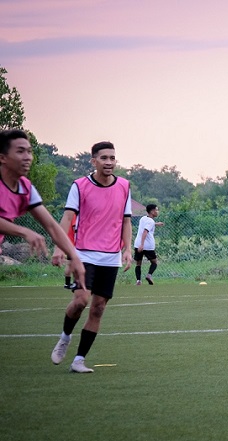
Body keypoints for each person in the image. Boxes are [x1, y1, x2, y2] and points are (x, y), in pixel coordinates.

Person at [51, 141, 133, 374]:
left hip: (111, 257)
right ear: (93, 161)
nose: (109, 162)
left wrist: (127, 249)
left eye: (112, 158)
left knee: (98, 308)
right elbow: (67, 218)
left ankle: (79, 360)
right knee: (81, 301)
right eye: (104, 158)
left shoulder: (124, 186)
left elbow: (126, 221)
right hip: (84, 254)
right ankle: (65, 336)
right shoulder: (80, 186)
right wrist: (59, 247)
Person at [0, 129, 86, 289]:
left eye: (29, 151)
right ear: (2, 158)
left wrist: (74, 257)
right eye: (20, 151)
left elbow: (51, 226)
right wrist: (24, 231)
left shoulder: (25, 187)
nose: (27, 157)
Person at [133, 203, 164, 285]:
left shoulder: (143, 218)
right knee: (154, 262)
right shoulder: (151, 221)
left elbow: (148, 224)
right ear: (152, 211)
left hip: (137, 244)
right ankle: (149, 275)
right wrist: (142, 245)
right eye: (156, 210)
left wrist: (156, 224)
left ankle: (138, 281)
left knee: (138, 264)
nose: (157, 211)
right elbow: (145, 232)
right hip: (147, 246)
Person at [63, 213, 78, 289]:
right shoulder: (75, 215)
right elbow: (75, 228)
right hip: (74, 244)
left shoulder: (68, 216)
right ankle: (75, 282)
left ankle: (67, 283)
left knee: (69, 263)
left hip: (69, 243)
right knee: (73, 264)